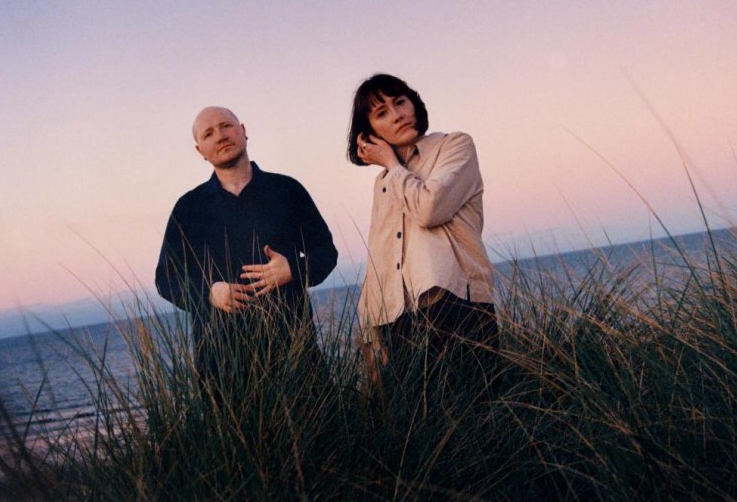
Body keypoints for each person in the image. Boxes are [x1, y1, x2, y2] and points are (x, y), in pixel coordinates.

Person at [156, 106, 338, 402]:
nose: (220, 136)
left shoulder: (286, 189)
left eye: (226, 126)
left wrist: (292, 269)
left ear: (243, 130)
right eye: (209, 133)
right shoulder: (188, 208)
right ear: (200, 150)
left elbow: (326, 254)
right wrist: (210, 293)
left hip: (296, 355)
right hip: (221, 367)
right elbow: (166, 280)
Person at [347, 73, 499, 407]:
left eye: (400, 102)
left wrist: (390, 163)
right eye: (382, 112)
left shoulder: (455, 145)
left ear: (414, 103)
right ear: (368, 133)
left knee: (478, 420)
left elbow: (431, 209)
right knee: (417, 430)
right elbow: (381, 257)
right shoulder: (383, 183)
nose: (397, 114)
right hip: (398, 320)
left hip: (456, 302)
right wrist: (370, 330)